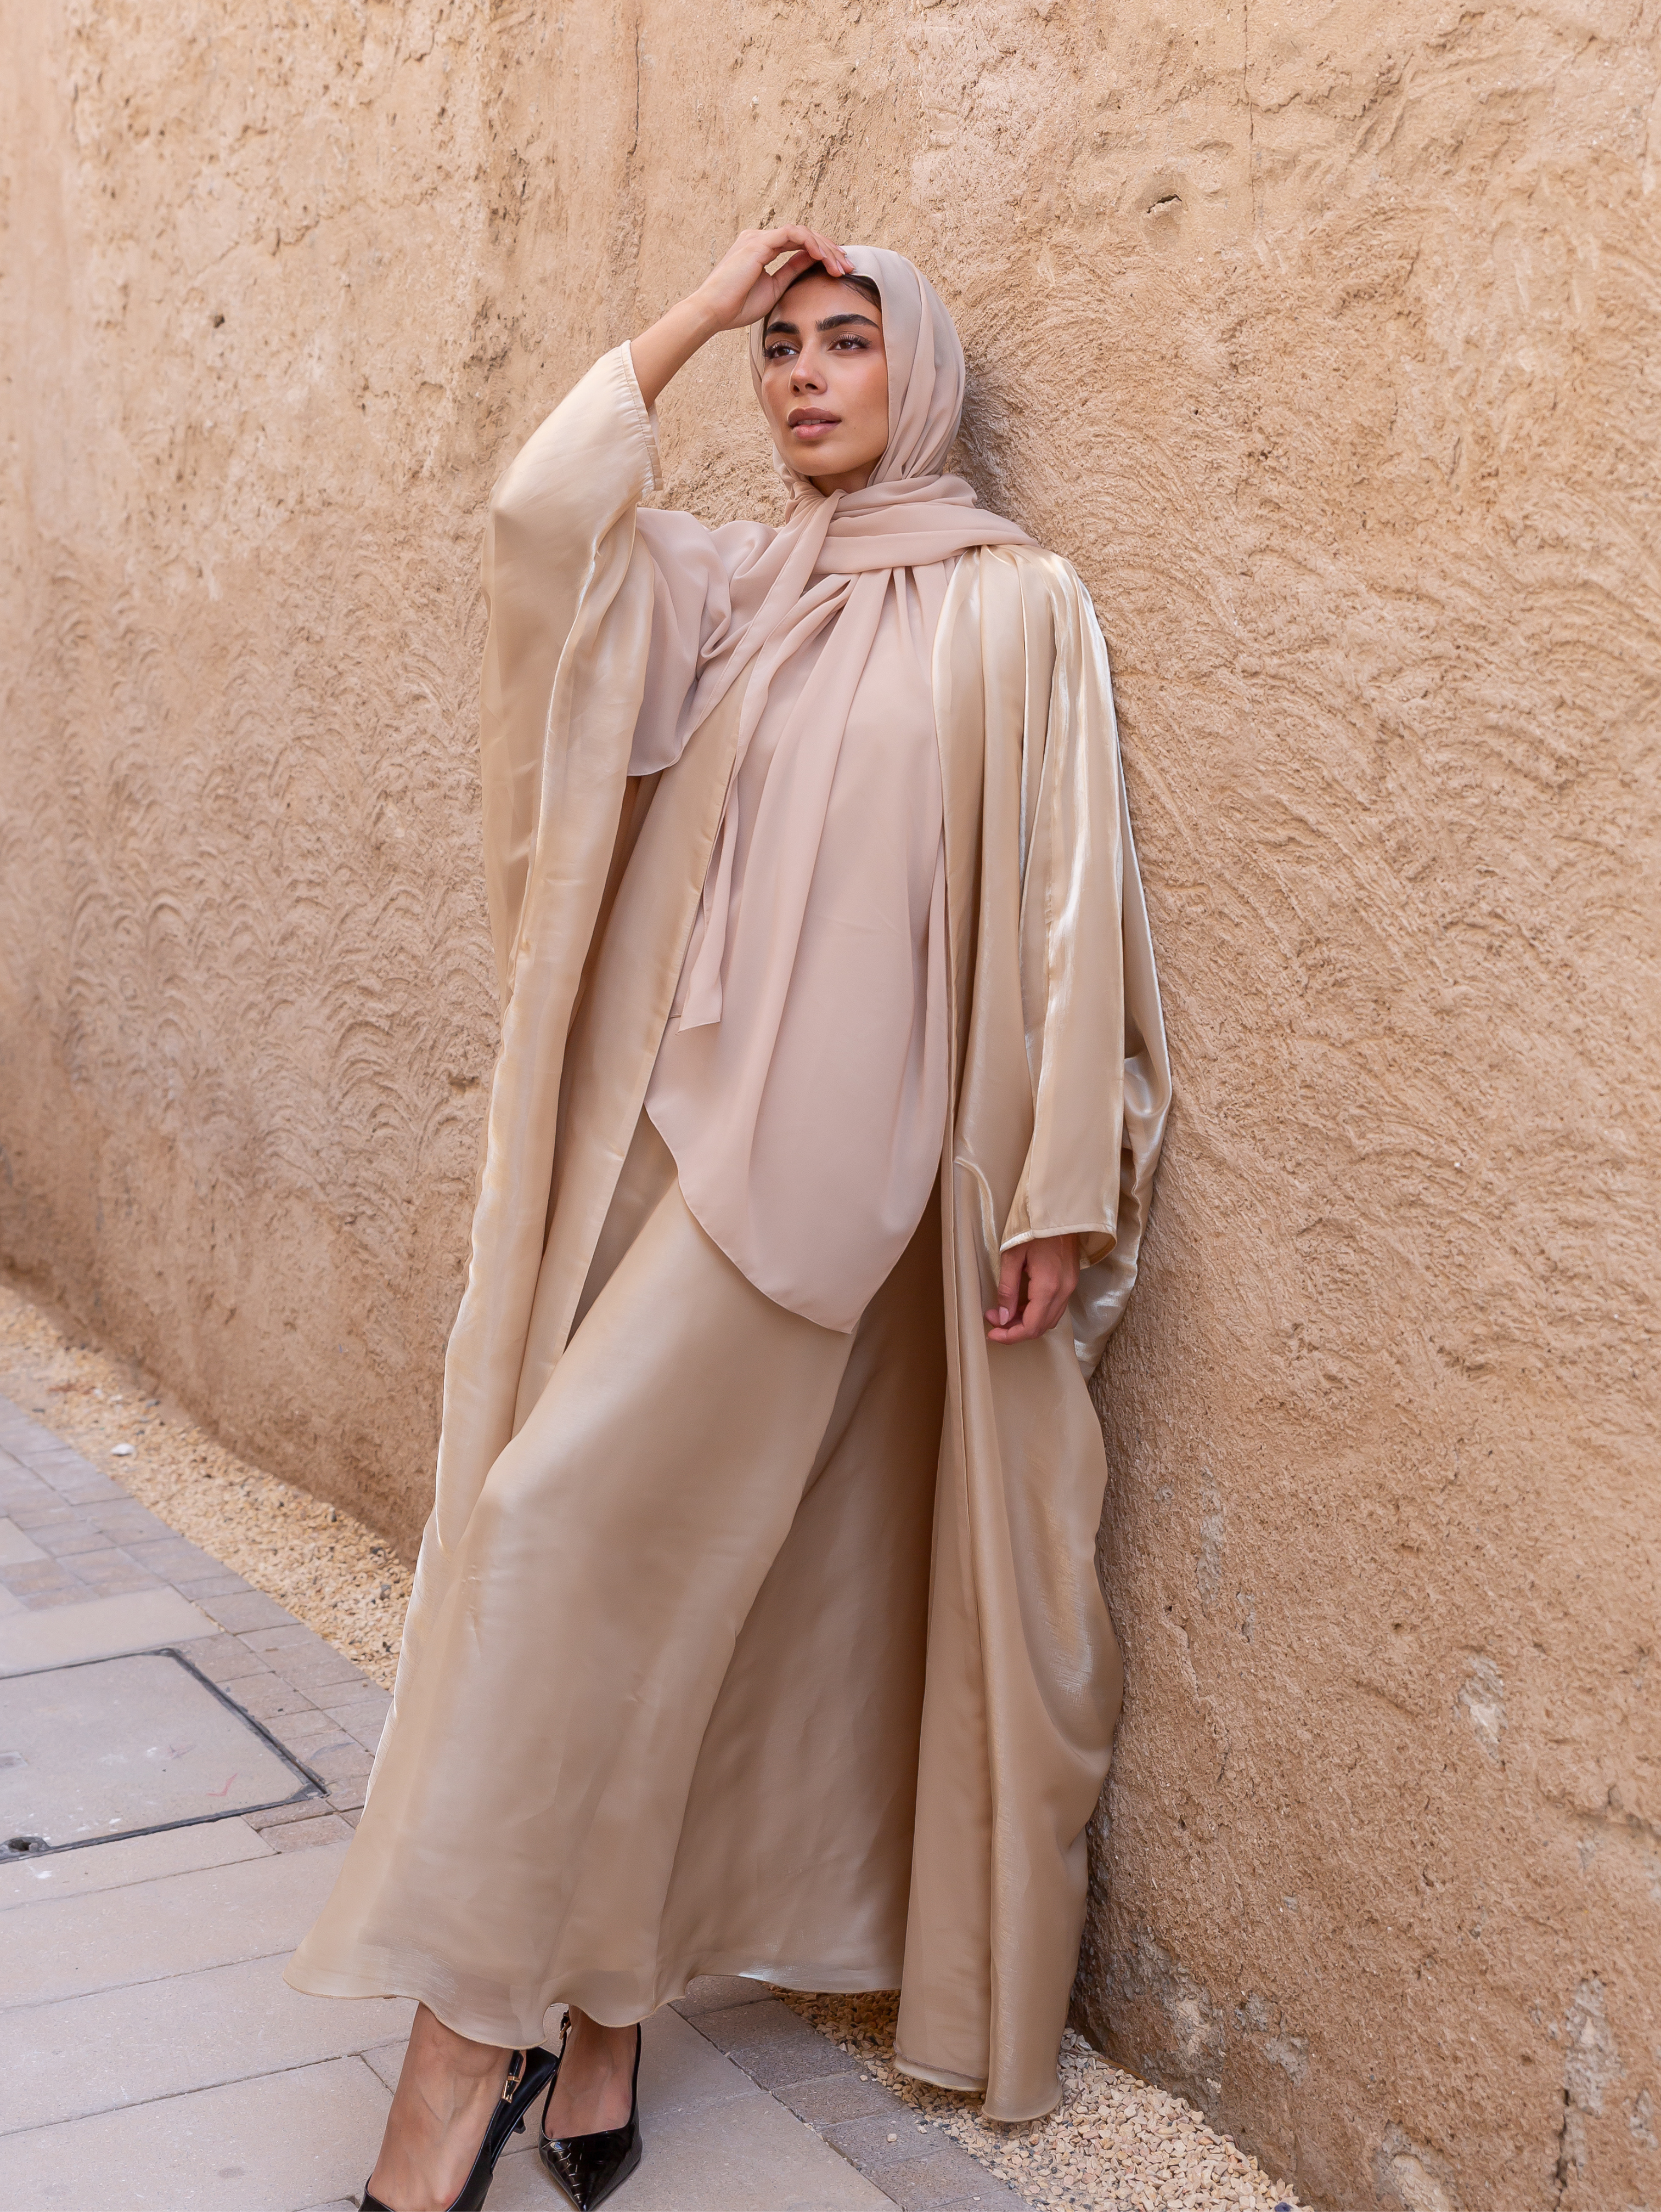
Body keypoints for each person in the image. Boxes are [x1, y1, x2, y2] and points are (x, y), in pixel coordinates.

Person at [287, 225, 1170, 2212]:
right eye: (777, 349)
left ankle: (454, 2071)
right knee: (690, 1592)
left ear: (916, 373)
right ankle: (597, 2030)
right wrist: (681, 316)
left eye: (843, 343)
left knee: (552, 1528)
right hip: (664, 1159)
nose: (799, 379)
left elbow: (1067, 910)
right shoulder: (732, 581)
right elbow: (539, 524)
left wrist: (1051, 1190)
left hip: (839, 1183)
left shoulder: (1011, 609)